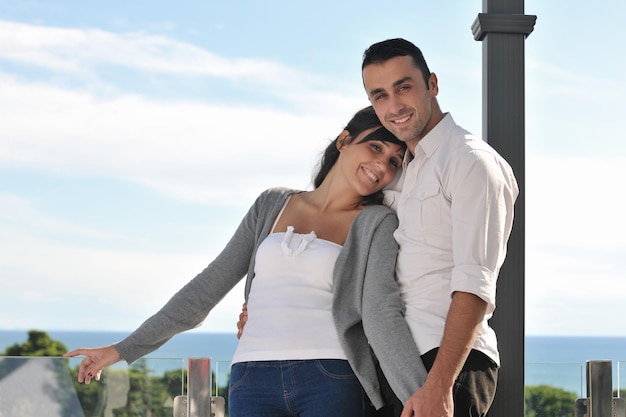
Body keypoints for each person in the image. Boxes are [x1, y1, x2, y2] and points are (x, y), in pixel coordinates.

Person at [64, 106, 428, 417]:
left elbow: (382, 313)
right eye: (375, 147)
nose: (381, 164)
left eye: (395, 160)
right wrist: (123, 349)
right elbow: (207, 288)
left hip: (331, 376)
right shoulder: (272, 204)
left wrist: (422, 396)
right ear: (344, 140)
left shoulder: (377, 222)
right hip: (251, 378)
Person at [361, 38, 519, 417]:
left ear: (432, 83)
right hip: (398, 363)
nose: (394, 106)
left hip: (446, 365)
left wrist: (440, 384)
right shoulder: (405, 172)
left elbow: (475, 281)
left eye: (404, 87)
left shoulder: (470, 162)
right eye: (380, 96)